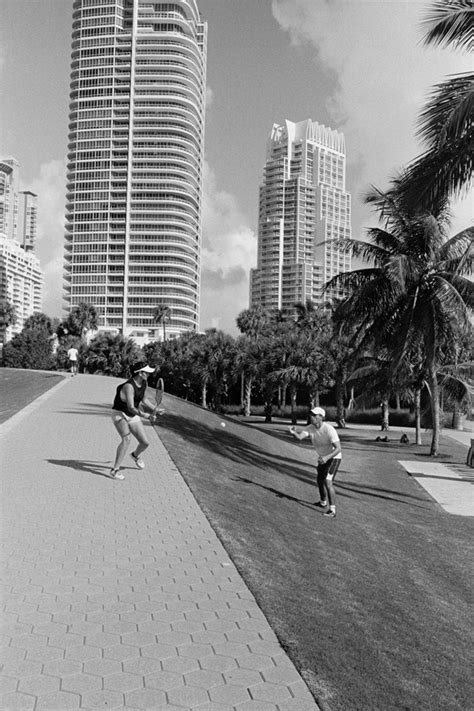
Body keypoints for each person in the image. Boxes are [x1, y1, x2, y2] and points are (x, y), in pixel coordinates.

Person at [110, 360, 160, 480]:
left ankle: (134, 455)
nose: (148, 374)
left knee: (145, 443)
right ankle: (115, 470)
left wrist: (156, 409)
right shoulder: (128, 386)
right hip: (120, 413)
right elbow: (131, 407)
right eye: (146, 372)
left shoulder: (143, 384)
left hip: (132, 415)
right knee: (126, 439)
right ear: (140, 373)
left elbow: (143, 399)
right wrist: (147, 416)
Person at [289, 406, 342, 518]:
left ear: (321, 417)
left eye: (314, 415)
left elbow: (338, 448)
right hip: (323, 457)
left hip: (334, 457)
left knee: (328, 481)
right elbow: (300, 437)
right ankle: (323, 502)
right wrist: (294, 433)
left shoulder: (329, 429)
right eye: (311, 415)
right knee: (320, 479)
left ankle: (332, 510)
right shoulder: (310, 428)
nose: (311, 417)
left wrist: (327, 458)